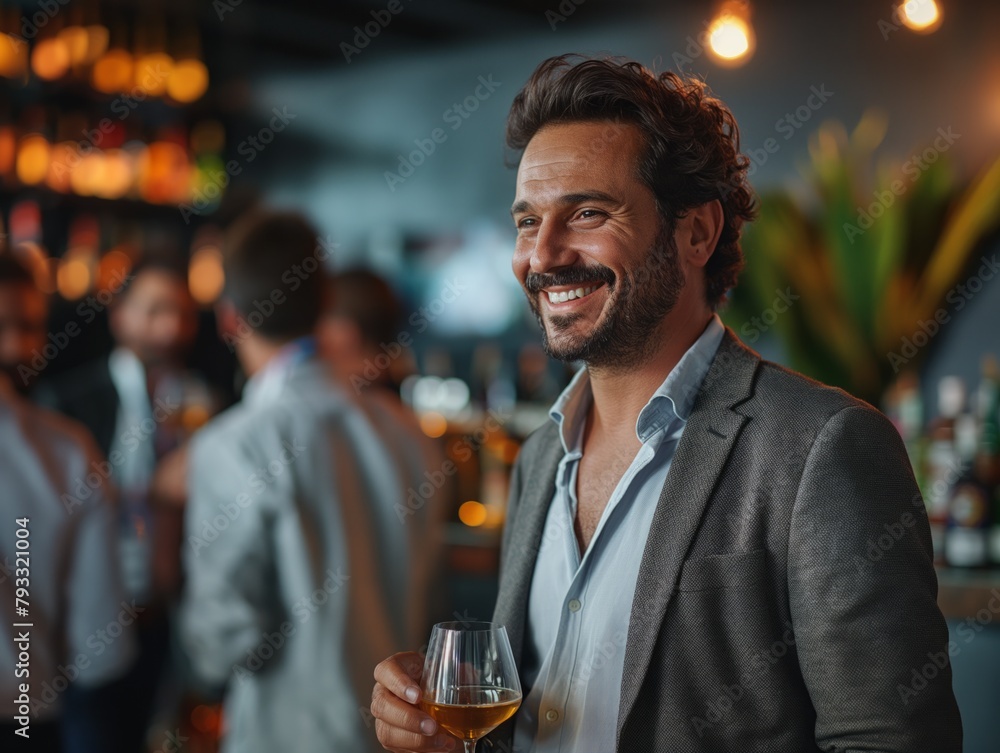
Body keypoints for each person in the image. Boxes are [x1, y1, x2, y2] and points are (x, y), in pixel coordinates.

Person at [371, 54, 963, 752]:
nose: (544, 255)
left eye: (588, 212)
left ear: (696, 233)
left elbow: (889, 740)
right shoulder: (539, 457)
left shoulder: (825, 447)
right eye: (528, 222)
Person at [181, 210, 441, 753]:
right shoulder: (408, 433)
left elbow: (221, 642)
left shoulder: (234, 446)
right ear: (324, 307)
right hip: (400, 737)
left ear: (229, 318)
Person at [34, 256, 204, 752]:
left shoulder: (200, 402)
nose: (171, 327)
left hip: (164, 616)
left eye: (181, 312)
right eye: (154, 311)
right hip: (89, 618)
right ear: (120, 316)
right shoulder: (68, 402)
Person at [0, 253, 135, 752]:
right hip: (23, 723)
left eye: (30, 326)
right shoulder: (65, 451)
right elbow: (100, 648)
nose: (17, 345)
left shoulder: (70, 449)